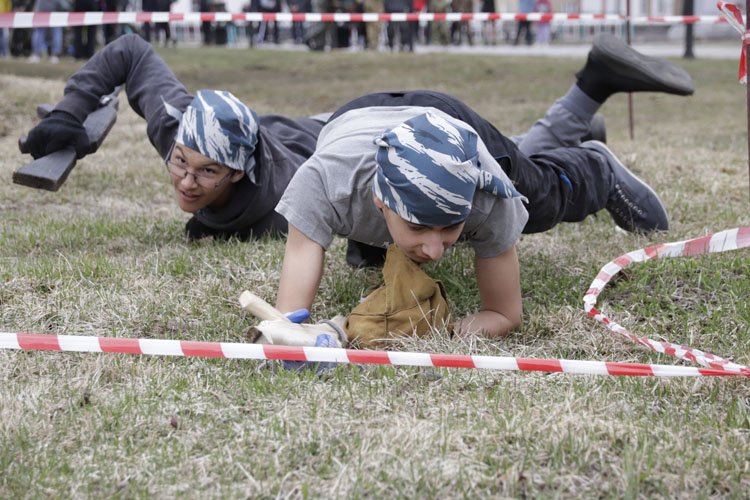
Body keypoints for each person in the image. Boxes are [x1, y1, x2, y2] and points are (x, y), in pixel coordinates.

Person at [20, 33, 692, 258]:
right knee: (509, 158)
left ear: (244, 169)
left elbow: (370, 219)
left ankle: (590, 168)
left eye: (207, 174)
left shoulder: (292, 193)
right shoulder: (185, 127)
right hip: (355, 128)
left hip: (384, 130)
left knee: (511, 194)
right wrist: (70, 120)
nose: (186, 183)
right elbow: (129, 52)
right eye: (180, 167)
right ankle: (586, 98)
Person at [272, 35, 695, 338]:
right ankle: (583, 101)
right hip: (355, 118)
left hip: (449, 119)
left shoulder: (488, 197)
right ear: (379, 200)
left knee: (540, 199)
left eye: (451, 226)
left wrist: (444, 331)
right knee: (371, 258)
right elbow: (286, 320)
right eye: (419, 227)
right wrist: (289, 333)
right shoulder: (325, 182)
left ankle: (594, 165)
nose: (437, 251)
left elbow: (504, 313)